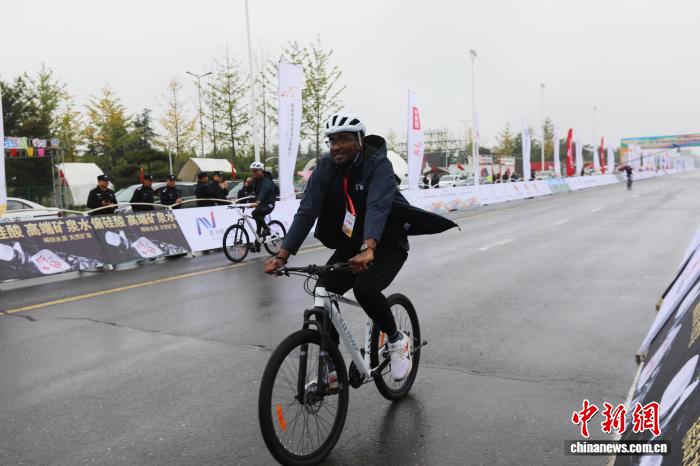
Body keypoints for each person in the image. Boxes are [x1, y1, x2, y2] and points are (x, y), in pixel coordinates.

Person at [263, 111, 457, 382]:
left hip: (387, 242)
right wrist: (282, 255)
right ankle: (330, 360)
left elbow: (377, 206)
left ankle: (396, 339)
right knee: (322, 288)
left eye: (343, 139)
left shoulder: (378, 165)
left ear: (359, 140)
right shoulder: (325, 168)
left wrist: (369, 247)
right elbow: (307, 211)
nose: (336, 146)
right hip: (352, 242)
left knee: (365, 289)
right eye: (332, 141)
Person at [249, 162, 276, 236]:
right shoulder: (255, 180)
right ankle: (257, 243)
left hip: (269, 204)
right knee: (258, 226)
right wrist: (247, 186)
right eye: (252, 171)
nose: (253, 173)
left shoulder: (267, 180)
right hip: (261, 204)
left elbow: (263, 191)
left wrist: (257, 202)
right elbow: (252, 191)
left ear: (260, 170)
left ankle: (267, 229)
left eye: (255, 171)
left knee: (254, 213)